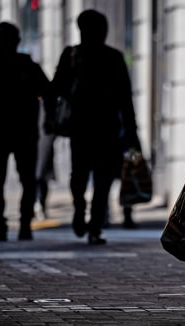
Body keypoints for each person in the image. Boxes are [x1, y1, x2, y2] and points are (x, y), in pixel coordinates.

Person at [48, 9, 142, 245]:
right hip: (106, 128)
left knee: (80, 175)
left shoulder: (71, 56)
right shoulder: (113, 58)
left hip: (81, 127)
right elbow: (125, 100)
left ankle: (82, 210)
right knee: (102, 180)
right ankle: (94, 225)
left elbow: (54, 89)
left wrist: (52, 116)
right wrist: (131, 132)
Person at [0, 22, 54, 242]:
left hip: (4, 131)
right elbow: (49, 93)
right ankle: (22, 225)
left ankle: (3, 226)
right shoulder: (27, 68)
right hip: (22, 131)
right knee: (24, 180)